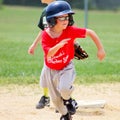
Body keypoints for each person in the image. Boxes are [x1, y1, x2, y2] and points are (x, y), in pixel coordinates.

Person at [39, 1, 105, 120]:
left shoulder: (70, 31)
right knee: (55, 100)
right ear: (52, 20)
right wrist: (59, 45)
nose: (66, 20)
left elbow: (91, 32)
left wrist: (100, 49)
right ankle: (66, 115)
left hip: (66, 66)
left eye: (67, 17)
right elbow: (49, 53)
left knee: (64, 89)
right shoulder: (45, 35)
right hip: (51, 69)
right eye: (62, 17)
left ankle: (69, 100)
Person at [28, 0, 79, 110]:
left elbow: (71, 26)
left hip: (62, 48)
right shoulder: (44, 12)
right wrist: (34, 44)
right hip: (50, 48)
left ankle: (68, 99)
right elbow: (43, 30)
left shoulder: (61, 9)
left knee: (61, 77)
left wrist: (74, 43)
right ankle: (46, 97)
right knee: (45, 76)